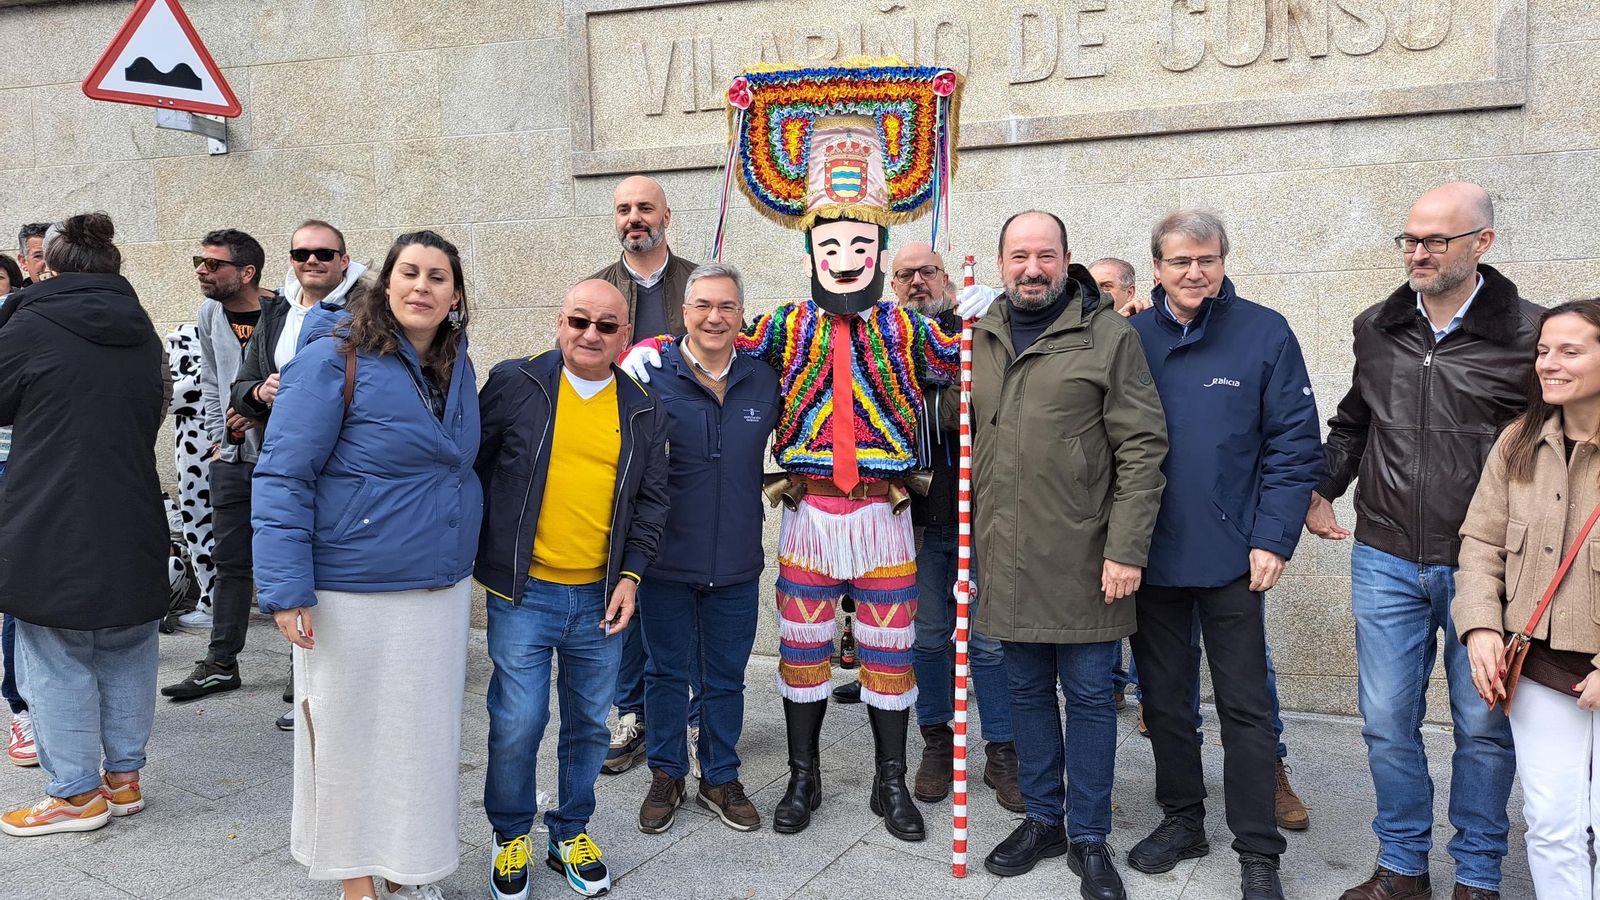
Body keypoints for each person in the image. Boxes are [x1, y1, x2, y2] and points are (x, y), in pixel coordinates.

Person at [1308, 182, 1538, 900]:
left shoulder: (1530, 335)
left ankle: (1476, 877)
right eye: (1410, 238)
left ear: (1482, 244)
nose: (1419, 251)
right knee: (1384, 723)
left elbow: (1555, 452)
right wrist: (1323, 487)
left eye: (1437, 240)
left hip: (1487, 568)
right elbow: (1354, 421)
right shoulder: (1376, 325)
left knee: (1482, 729)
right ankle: (1403, 868)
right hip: (1384, 555)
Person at [253, 230, 480, 900]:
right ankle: (357, 878)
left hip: (437, 586)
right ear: (384, 283)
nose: (422, 286)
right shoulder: (333, 357)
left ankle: (409, 866)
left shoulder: (458, 361)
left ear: (455, 294)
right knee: (349, 737)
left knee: (420, 741)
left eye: (438, 277)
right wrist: (287, 590)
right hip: (349, 588)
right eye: (409, 272)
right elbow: (284, 474)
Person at [967, 210, 1167, 900]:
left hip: (1088, 556)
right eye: (1019, 255)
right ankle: (1043, 819)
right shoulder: (980, 338)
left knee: (1086, 697)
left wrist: (1127, 550)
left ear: (1066, 259)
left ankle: (1088, 834)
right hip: (1006, 555)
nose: (1032, 268)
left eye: (1045, 255)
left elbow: (1142, 449)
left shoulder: (1108, 336)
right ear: (1001, 263)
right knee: (1024, 692)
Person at [1125, 210, 1323, 900]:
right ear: (1156, 268)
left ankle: (1258, 850)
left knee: (1245, 708)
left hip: (1237, 557)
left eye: (1206, 259)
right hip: (1149, 555)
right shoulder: (1130, 338)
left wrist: (1274, 536)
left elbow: (1295, 446)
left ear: (1223, 261)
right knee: (1165, 702)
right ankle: (1183, 818)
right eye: (1180, 262)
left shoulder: (1264, 332)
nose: (1194, 273)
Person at [477, 279, 669, 900]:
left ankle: (570, 831)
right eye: (579, 320)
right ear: (559, 322)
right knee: (517, 720)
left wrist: (632, 577)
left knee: (589, 723)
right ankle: (511, 835)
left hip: (600, 598)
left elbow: (651, 503)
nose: (590, 334)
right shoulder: (516, 383)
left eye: (606, 326)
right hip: (522, 593)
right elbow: (472, 470)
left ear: (624, 337)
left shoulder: (642, 407)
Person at [0, 213, 167, 836]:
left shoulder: (32, 323)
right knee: (127, 642)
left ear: (50, 267)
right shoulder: (141, 329)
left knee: (53, 645)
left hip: (54, 510)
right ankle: (122, 780)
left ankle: (75, 796)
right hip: (132, 503)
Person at [1454, 299, 1600, 899]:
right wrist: (1482, 626)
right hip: (1541, 667)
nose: (1549, 363)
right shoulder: (1519, 441)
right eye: (1544, 350)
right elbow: (1481, 541)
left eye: (1570, 351)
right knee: (1553, 827)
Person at [635, 262, 778, 835]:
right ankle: (666, 773)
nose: (714, 317)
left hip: (738, 559)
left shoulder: (764, 379)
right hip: (665, 559)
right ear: (684, 313)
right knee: (666, 673)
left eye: (726, 307)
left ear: (742, 316)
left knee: (726, 677)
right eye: (702, 306)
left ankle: (719, 775)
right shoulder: (649, 374)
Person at [888, 241, 1020, 812]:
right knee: (929, 639)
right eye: (905, 275)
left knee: (990, 645)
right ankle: (937, 739)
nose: (918, 281)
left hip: (981, 516)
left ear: (947, 276)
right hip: (916, 521)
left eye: (928, 271)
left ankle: (1003, 750)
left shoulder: (979, 326)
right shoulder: (889, 337)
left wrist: (997, 314)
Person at [230, 219, 366, 732]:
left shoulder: (366, 309)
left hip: (341, 468)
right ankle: (305, 686)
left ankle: (330, 691)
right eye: (301, 253)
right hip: (280, 458)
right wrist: (259, 395)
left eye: (324, 254)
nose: (312, 262)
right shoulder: (278, 311)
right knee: (290, 569)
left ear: (344, 260)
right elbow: (242, 384)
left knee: (328, 578)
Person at [590, 175, 700, 776]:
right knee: (626, 585)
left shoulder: (696, 284)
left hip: (691, 462)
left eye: (645, 208)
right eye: (624, 209)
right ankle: (628, 712)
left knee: (695, 587)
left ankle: (695, 711)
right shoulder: (600, 288)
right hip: (625, 461)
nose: (634, 218)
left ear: (666, 215)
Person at [162, 229, 273, 703]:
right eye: (199, 262)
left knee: (293, 559)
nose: (201, 272)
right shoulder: (210, 313)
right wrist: (218, 439)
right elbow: (210, 378)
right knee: (230, 563)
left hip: (282, 457)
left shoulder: (286, 312)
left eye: (213, 264)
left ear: (246, 273)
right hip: (231, 457)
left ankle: (300, 668)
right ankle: (221, 663)